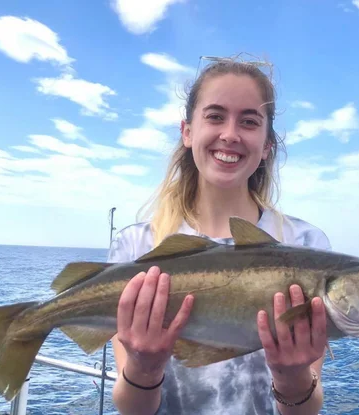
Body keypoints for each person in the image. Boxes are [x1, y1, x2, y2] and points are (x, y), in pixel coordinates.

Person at [107, 57, 332, 415]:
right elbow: (132, 410)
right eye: (215, 116)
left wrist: (291, 378)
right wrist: (143, 367)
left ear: (267, 143)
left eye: (249, 121)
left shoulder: (304, 245)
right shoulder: (136, 248)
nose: (230, 134)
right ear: (187, 131)